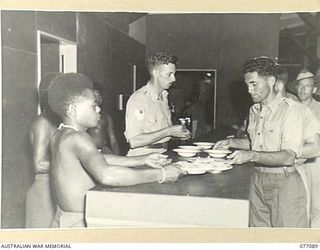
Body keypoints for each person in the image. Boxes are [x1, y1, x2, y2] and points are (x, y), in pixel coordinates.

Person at [47, 73, 185, 228]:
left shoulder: (60, 134)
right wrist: (162, 174)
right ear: (73, 110)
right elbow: (107, 175)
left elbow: (98, 158)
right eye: (93, 105)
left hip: (63, 217)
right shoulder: (79, 138)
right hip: (78, 222)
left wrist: (142, 159)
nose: (99, 109)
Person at [215, 56, 309, 227]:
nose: (249, 90)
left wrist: (250, 155)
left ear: (271, 81)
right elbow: (258, 144)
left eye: (254, 84)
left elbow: (288, 156)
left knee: (289, 242)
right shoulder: (254, 110)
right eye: (247, 85)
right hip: (258, 179)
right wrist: (232, 143)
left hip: (284, 182)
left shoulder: (291, 111)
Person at [124, 52, 191, 156]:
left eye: (174, 74)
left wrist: (176, 134)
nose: (174, 79)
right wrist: (168, 131)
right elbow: (135, 141)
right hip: (142, 158)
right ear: (155, 74)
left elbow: (158, 134)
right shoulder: (139, 99)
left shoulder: (164, 97)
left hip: (162, 153)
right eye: (169, 74)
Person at [26, 72, 61, 228]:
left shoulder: (59, 122)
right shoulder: (42, 123)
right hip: (44, 191)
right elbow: (39, 164)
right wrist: (68, 164)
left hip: (56, 187)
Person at [296, 69, 320, 228]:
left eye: (307, 86)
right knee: (299, 201)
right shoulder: (291, 108)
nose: (302, 89)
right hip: (295, 160)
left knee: (316, 203)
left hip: (315, 161)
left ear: (314, 89)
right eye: (299, 86)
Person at [87, 87, 120, 154]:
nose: (97, 99)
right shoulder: (85, 117)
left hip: (103, 151)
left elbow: (113, 139)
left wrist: (116, 153)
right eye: (94, 96)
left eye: (99, 96)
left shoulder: (107, 117)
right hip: (89, 152)